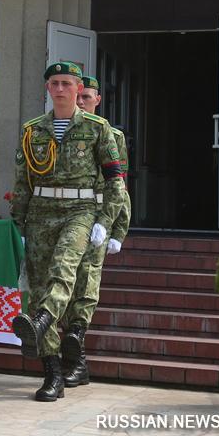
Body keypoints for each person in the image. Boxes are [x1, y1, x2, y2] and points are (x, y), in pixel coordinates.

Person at [9, 62, 125, 402]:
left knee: (64, 268)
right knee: (39, 284)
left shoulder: (97, 128)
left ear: (78, 89)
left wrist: (106, 221)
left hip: (81, 210)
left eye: (66, 83)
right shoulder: (32, 130)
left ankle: (45, 319)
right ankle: (52, 373)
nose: (59, 89)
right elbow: (22, 182)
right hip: (41, 213)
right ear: (48, 89)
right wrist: (19, 224)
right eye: (54, 83)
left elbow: (115, 182)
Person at [60, 76, 131, 388]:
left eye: (86, 97)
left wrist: (117, 228)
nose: (81, 102)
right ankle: (74, 360)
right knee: (63, 281)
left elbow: (120, 186)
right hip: (68, 215)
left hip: (98, 219)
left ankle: (76, 358)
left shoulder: (110, 134)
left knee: (86, 282)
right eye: (79, 97)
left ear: (97, 100)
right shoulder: (60, 130)